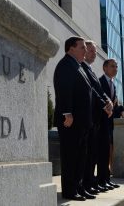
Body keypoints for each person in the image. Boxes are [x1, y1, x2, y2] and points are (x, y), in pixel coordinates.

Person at [53, 36, 92, 201]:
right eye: (82, 47)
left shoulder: (79, 66)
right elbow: (64, 89)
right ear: (71, 48)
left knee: (80, 157)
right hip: (70, 121)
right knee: (70, 157)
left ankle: (79, 187)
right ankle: (69, 191)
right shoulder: (65, 65)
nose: (86, 51)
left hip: (81, 122)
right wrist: (67, 113)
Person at [81, 41, 113, 194]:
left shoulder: (90, 70)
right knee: (88, 155)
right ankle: (88, 183)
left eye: (95, 51)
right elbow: (93, 91)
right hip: (90, 118)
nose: (94, 53)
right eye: (91, 51)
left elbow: (99, 91)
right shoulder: (81, 68)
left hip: (97, 121)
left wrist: (108, 102)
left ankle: (92, 183)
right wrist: (105, 104)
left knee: (93, 154)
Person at [97, 59, 120, 190]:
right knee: (101, 153)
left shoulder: (113, 84)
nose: (115, 68)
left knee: (107, 152)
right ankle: (100, 180)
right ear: (104, 68)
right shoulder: (100, 82)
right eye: (112, 66)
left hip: (109, 124)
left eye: (116, 66)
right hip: (100, 124)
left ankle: (106, 179)